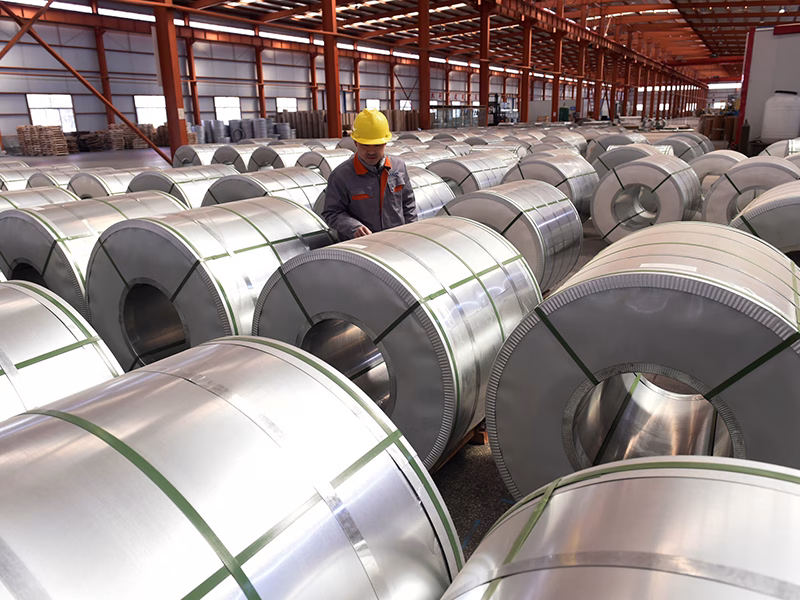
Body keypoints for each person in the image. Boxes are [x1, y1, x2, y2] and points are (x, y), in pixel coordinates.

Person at [322, 109, 417, 239]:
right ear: (356, 143)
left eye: (377, 145)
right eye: (365, 146)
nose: (371, 151)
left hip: (396, 242)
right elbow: (331, 212)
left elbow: (408, 203)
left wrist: (411, 233)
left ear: (385, 143)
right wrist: (353, 227)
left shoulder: (398, 167)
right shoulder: (341, 176)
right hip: (362, 247)